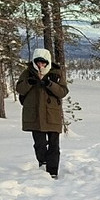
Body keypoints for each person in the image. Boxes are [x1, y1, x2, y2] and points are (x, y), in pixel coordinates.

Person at [15, 48, 68, 179]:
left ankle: (53, 170)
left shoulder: (56, 73)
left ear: (48, 62)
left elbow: (63, 92)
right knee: (39, 143)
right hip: (35, 115)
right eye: (38, 62)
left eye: (43, 62)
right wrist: (29, 83)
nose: (40, 65)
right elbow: (19, 89)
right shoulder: (27, 73)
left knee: (54, 144)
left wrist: (50, 84)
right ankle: (42, 163)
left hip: (52, 115)